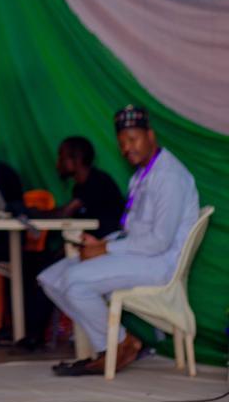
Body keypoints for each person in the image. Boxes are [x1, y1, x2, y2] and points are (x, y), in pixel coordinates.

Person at [38, 106, 200, 376]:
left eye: (133, 139)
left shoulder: (168, 177)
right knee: (51, 279)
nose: (127, 148)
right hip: (137, 254)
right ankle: (123, 342)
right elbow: (132, 231)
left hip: (159, 263)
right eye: (122, 142)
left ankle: (115, 347)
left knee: (75, 281)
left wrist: (105, 248)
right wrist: (99, 243)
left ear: (150, 136)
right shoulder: (142, 174)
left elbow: (159, 242)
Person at [16, 136, 124, 351]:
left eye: (62, 157)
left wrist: (34, 213)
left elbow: (65, 213)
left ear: (76, 159)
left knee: (47, 271)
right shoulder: (81, 186)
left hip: (107, 250)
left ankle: (115, 343)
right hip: (88, 249)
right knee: (43, 271)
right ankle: (105, 344)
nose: (58, 163)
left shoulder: (96, 182)